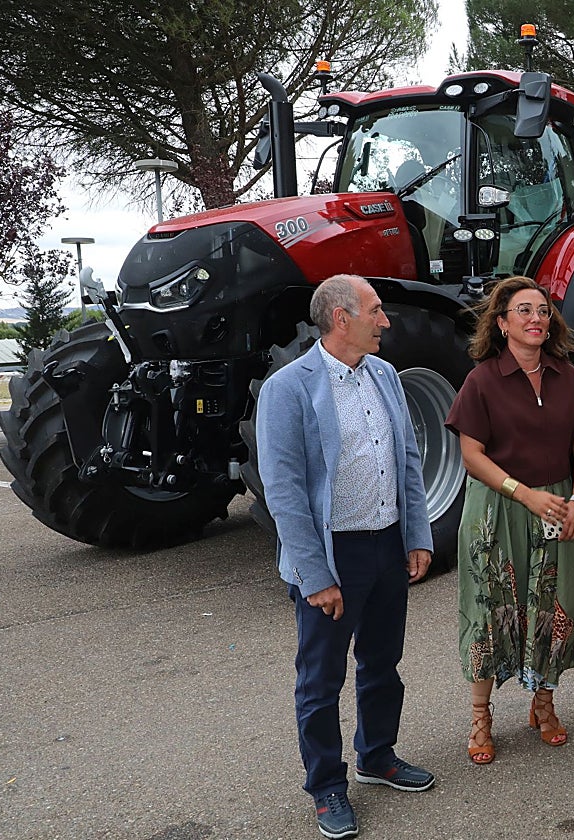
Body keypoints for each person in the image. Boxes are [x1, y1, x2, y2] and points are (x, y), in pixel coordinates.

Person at [257, 274, 435, 840]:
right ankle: (327, 786)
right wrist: (315, 575)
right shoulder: (288, 388)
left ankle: (377, 756)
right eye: (376, 310)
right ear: (341, 318)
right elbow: (283, 490)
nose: (386, 320)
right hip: (334, 556)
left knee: (382, 662)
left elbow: (407, 460)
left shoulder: (384, 374)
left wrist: (418, 535)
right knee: (320, 678)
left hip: (386, 544)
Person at [444, 276, 574, 764]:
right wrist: (524, 493)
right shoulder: (483, 379)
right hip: (499, 506)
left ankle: (543, 704)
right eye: (524, 310)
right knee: (491, 610)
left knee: (555, 604)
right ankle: (480, 716)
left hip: (556, 504)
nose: (536, 318)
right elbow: (471, 455)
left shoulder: (567, 375)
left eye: (544, 311)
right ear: (502, 322)